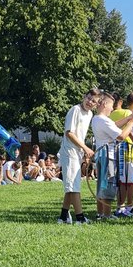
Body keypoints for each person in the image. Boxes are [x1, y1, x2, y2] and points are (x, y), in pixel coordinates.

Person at [91, 92, 133, 220]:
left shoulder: (97, 119)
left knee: (101, 185)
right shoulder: (103, 120)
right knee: (108, 184)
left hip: (101, 155)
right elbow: (121, 136)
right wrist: (132, 123)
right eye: (111, 105)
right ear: (104, 104)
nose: (112, 109)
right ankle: (107, 215)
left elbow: (114, 125)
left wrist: (128, 119)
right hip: (108, 156)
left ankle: (100, 213)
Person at [56, 89, 100, 225]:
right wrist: (85, 148)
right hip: (69, 151)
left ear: (96, 105)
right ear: (84, 97)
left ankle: (63, 217)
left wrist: (83, 151)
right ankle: (80, 218)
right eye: (89, 98)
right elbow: (69, 133)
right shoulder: (75, 110)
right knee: (74, 187)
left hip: (77, 152)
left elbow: (80, 135)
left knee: (71, 185)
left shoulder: (90, 114)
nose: (90, 102)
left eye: (93, 101)